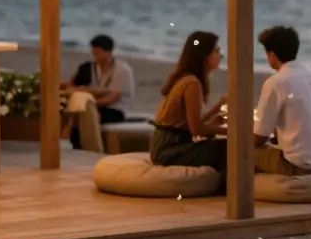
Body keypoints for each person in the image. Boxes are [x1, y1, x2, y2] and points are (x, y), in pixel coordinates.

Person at [253, 25, 311, 175]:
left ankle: (233, 192)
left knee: (238, 149)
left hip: (300, 166)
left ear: (272, 55)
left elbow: (258, 139)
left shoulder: (277, 82)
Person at [150, 31, 228, 173]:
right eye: (216, 50)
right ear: (204, 55)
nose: (221, 55)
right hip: (170, 150)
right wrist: (231, 132)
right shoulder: (192, 83)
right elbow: (196, 129)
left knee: (221, 146)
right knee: (228, 148)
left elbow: (193, 121)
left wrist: (220, 105)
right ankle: (226, 189)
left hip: (167, 146)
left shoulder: (187, 79)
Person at [61, 35, 136, 149]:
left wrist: (88, 103)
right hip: (92, 104)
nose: (95, 56)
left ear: (109, 52)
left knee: (84, 113)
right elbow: (70, 85)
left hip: (115, 109)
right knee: (74, 112)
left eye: (98, 53)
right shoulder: (88, 67)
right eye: (94, 53)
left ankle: (92, 147)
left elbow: (112, 98)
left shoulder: (122, 70)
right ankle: (77, 145)